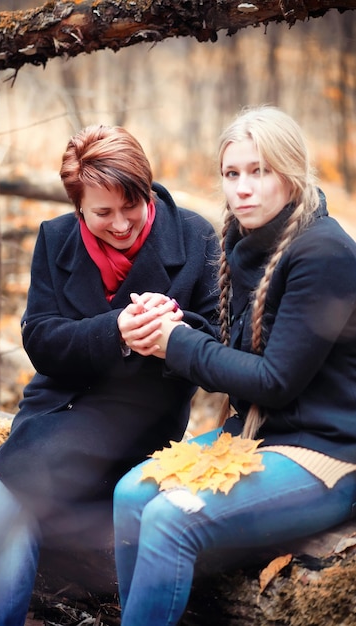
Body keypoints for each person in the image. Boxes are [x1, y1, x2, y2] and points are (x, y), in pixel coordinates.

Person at [0, 124, 220, 625]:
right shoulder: (56, 238)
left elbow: (218, 339)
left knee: (20, 477)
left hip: (137, 423)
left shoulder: (195, 237)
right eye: (102, 213)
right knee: (22, 500)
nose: (121, 224)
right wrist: (114, 331)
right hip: (53, 409)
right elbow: (40, 338)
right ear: (78, 208)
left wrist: (170, 330)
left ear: (146, 188)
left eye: (130, 206)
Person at [113, 105, 356, 626]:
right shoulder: (245, 241)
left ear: (291, 175)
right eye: (232, 173)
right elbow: (241, 356)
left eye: (259, 171)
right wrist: (173, 326)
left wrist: (177, 344)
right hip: (254, 438)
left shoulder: (325, 254)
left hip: (325, 456)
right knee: (131, 493)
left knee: (168, 520)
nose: (242, 188)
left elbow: (275, 381)